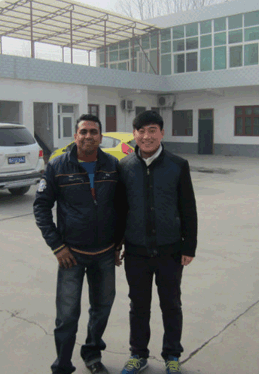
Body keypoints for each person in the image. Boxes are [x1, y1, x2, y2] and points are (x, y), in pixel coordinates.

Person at [34, 114, 122, 374]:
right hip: (71, 255)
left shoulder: (113, 165)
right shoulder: (58, 166)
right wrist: (57, 246)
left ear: (101, 137)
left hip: (105, 254)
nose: (88, 136)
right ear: (75, 136)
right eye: (83, 132)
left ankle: (92, 354)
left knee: (102, 309)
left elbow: (121, 207)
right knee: (67, 315)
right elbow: (41, 207)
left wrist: (118, 244)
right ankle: (62, 364)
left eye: (93, 132)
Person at [117, 110, 198, 374]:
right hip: (136, 252)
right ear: (134, 134)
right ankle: (138, 354)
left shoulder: (177, 165)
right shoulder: (125, 167)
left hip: (170, 251)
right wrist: (118, 244)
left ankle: (172, 355)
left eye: (152, 130)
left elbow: (188, 208)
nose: (146, 136)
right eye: (141, 131)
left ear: (162, 133)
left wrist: (189, 246)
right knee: (138, 306)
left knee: (171, 305)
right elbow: (120, 210)